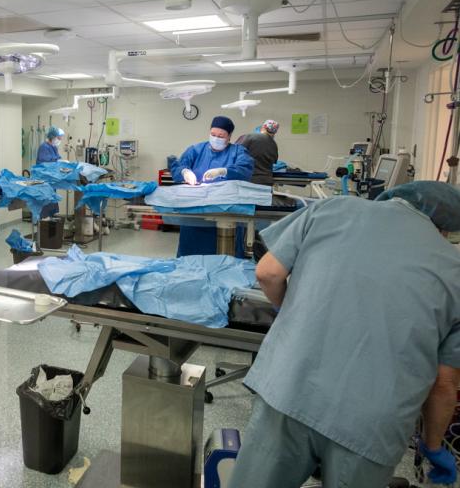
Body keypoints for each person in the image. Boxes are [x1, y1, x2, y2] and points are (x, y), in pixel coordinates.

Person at [229, 181, 460, 488]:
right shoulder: (454, 268)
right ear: (446, 229)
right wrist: (432, 446)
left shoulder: (333, 208)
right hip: (371, 423)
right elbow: (444, 385)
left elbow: (267, 273)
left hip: (290, 387)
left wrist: (296, 312)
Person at [169, 115, 254, 256]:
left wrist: (224, 171)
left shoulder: (238, 152)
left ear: (229, 137)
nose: (216, 138)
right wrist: (184, 172)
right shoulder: (196, 150)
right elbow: (178, 165)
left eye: (221, 136)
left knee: (225, 256)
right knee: (192, 256)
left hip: (226, 212)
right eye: (213, 134)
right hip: (195, 213)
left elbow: (245, 169)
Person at [237, 119, 279, 186]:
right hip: (266, 182)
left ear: (263, 127)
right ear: (275, 132)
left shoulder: (248, 137)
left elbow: (234, 153)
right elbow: (274, 161)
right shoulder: (274, 144)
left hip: (248, 180)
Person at [37, 126, 65, 218]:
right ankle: (42, 222)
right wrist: (57, 161)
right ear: (52, 137)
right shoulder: (43, 147)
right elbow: (45, 162)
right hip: (43, 180)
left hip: (51, 179)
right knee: (45, 200)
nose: (59, 140)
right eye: (58, 138)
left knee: (52, 200)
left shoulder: (54, 147)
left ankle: (51, 222)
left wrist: (62, 162)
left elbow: (57, 158)